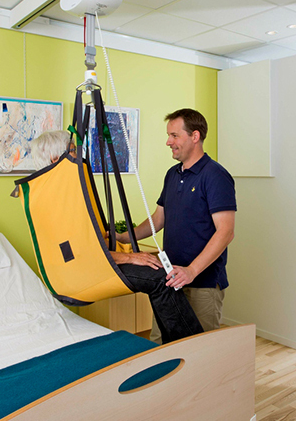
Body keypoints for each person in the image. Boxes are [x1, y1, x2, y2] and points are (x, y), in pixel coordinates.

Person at [29, 130, 204, 344]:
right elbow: (80, 251)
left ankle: (176, 346)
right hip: (84, 272)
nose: (78, 156)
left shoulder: (56, 192)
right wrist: (131, 257)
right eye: (73, 151)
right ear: (56, 159)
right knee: (161, 278)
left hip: (92, 263)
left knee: (160, 274)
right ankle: (194, 346)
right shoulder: (57, 199)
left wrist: (122, 241)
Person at [117, 109, 236, 344]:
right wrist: (124, 237)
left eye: (174, 135)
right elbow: (158, 220)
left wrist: (191, 271)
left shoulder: (215, 176)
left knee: (199, 348)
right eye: (168, 135)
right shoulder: (172, 174)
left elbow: (226, 232)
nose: (168, 142)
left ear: (195, 136)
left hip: (202, 283)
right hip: (170, 279)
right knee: (160, 342)